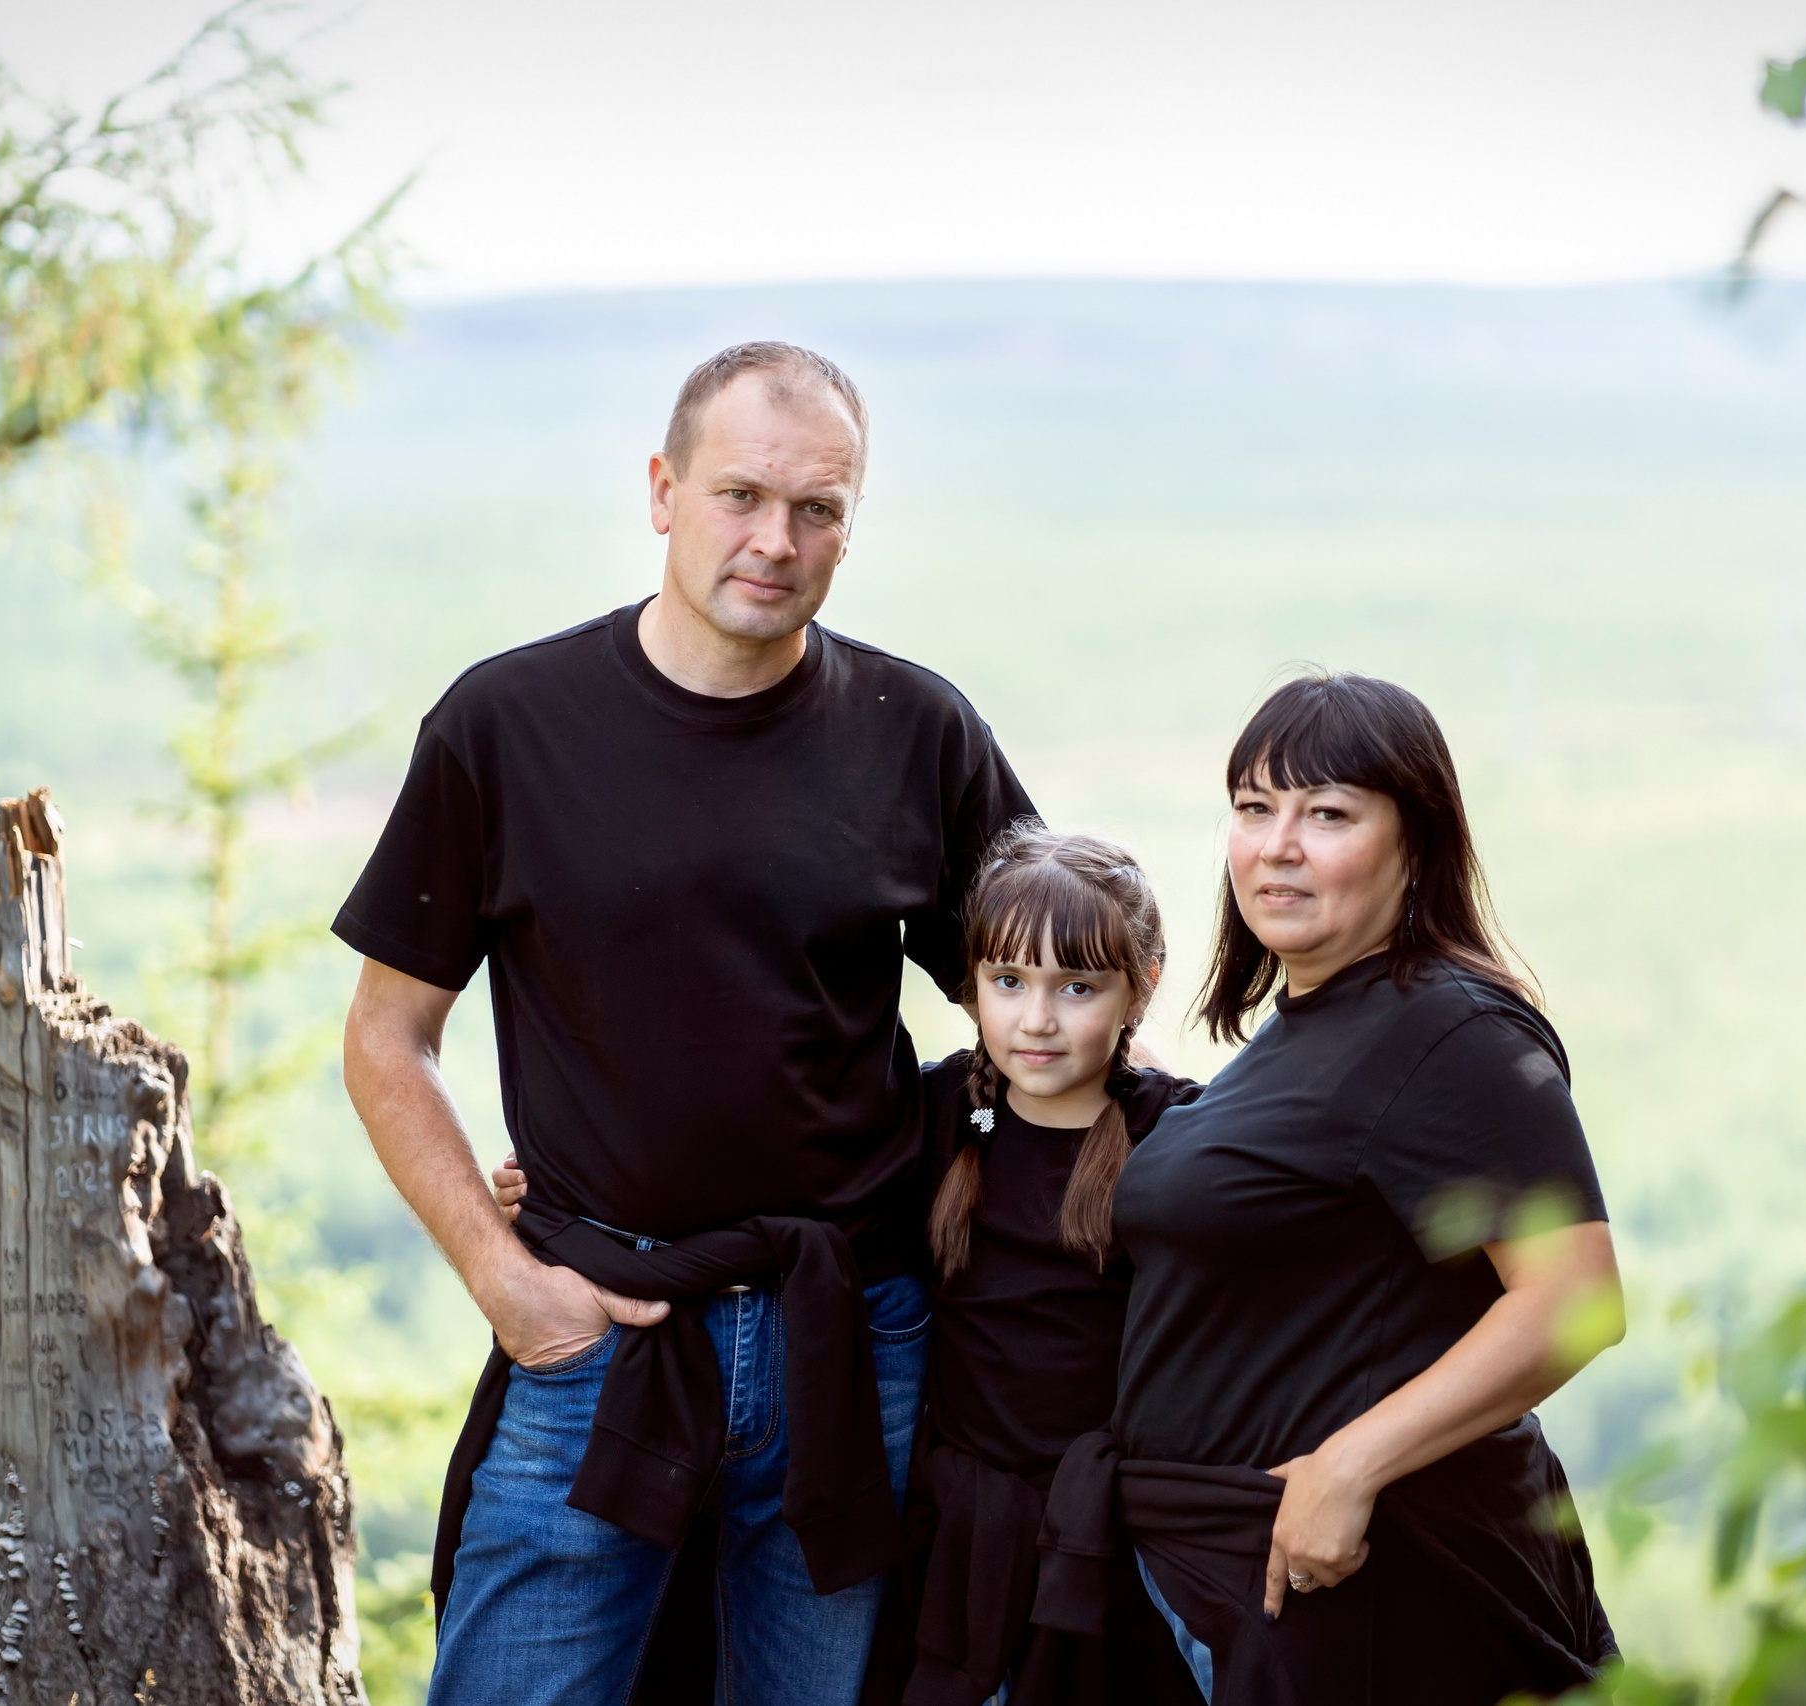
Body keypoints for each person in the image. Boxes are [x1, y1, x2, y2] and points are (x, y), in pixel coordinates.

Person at [335, 342, 1034, 1706]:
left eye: (819, 508)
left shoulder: (916, 730)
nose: (777, 539)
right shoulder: (506, 725)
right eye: (741, 495)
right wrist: (504, 1279)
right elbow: (385, 1038)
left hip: (854, 1332)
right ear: (662, 490)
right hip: (599, 1326)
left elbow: (1046, 1001)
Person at [497, 825, 1208, 1706]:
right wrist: (566, 1203)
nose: (1037, 1019)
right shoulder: (941, 1114)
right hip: (959, 1530)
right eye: (1009, 981)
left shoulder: (1178, 1137)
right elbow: (784, 1183)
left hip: (1113, 1532)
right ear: (971, 981)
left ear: (1142, 984)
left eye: (1078, 988)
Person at [1033, 672, 1624, 1705]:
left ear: (1417, 842)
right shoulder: (1304, 1028)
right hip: (1233, 1581)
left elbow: (1575, 1298)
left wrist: (1346, 1468)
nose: (1278, 844)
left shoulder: (1452, 1031)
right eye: (1255, 808)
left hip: (1366, 1583)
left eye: (1329, 813)